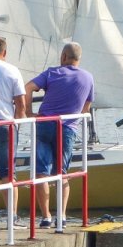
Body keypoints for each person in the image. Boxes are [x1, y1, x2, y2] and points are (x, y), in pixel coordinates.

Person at [25, 41, 95, 231]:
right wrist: (74, 119)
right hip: (68, 128)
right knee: (62, 173)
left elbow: (28, 87)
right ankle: (62, 216)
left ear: (63, 57)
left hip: (45, 124)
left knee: (41, 172)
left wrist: (29, 113)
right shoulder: (88, 78)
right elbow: (86, 108)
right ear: (78, 59)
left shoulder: (51, 73)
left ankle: (46, 217)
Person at [0, 36, 30, 223]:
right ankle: (12, 215)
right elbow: (21, 102)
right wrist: (19, 121)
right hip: (6, 124)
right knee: (8, 172)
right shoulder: (12, 70)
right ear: (5, 52)